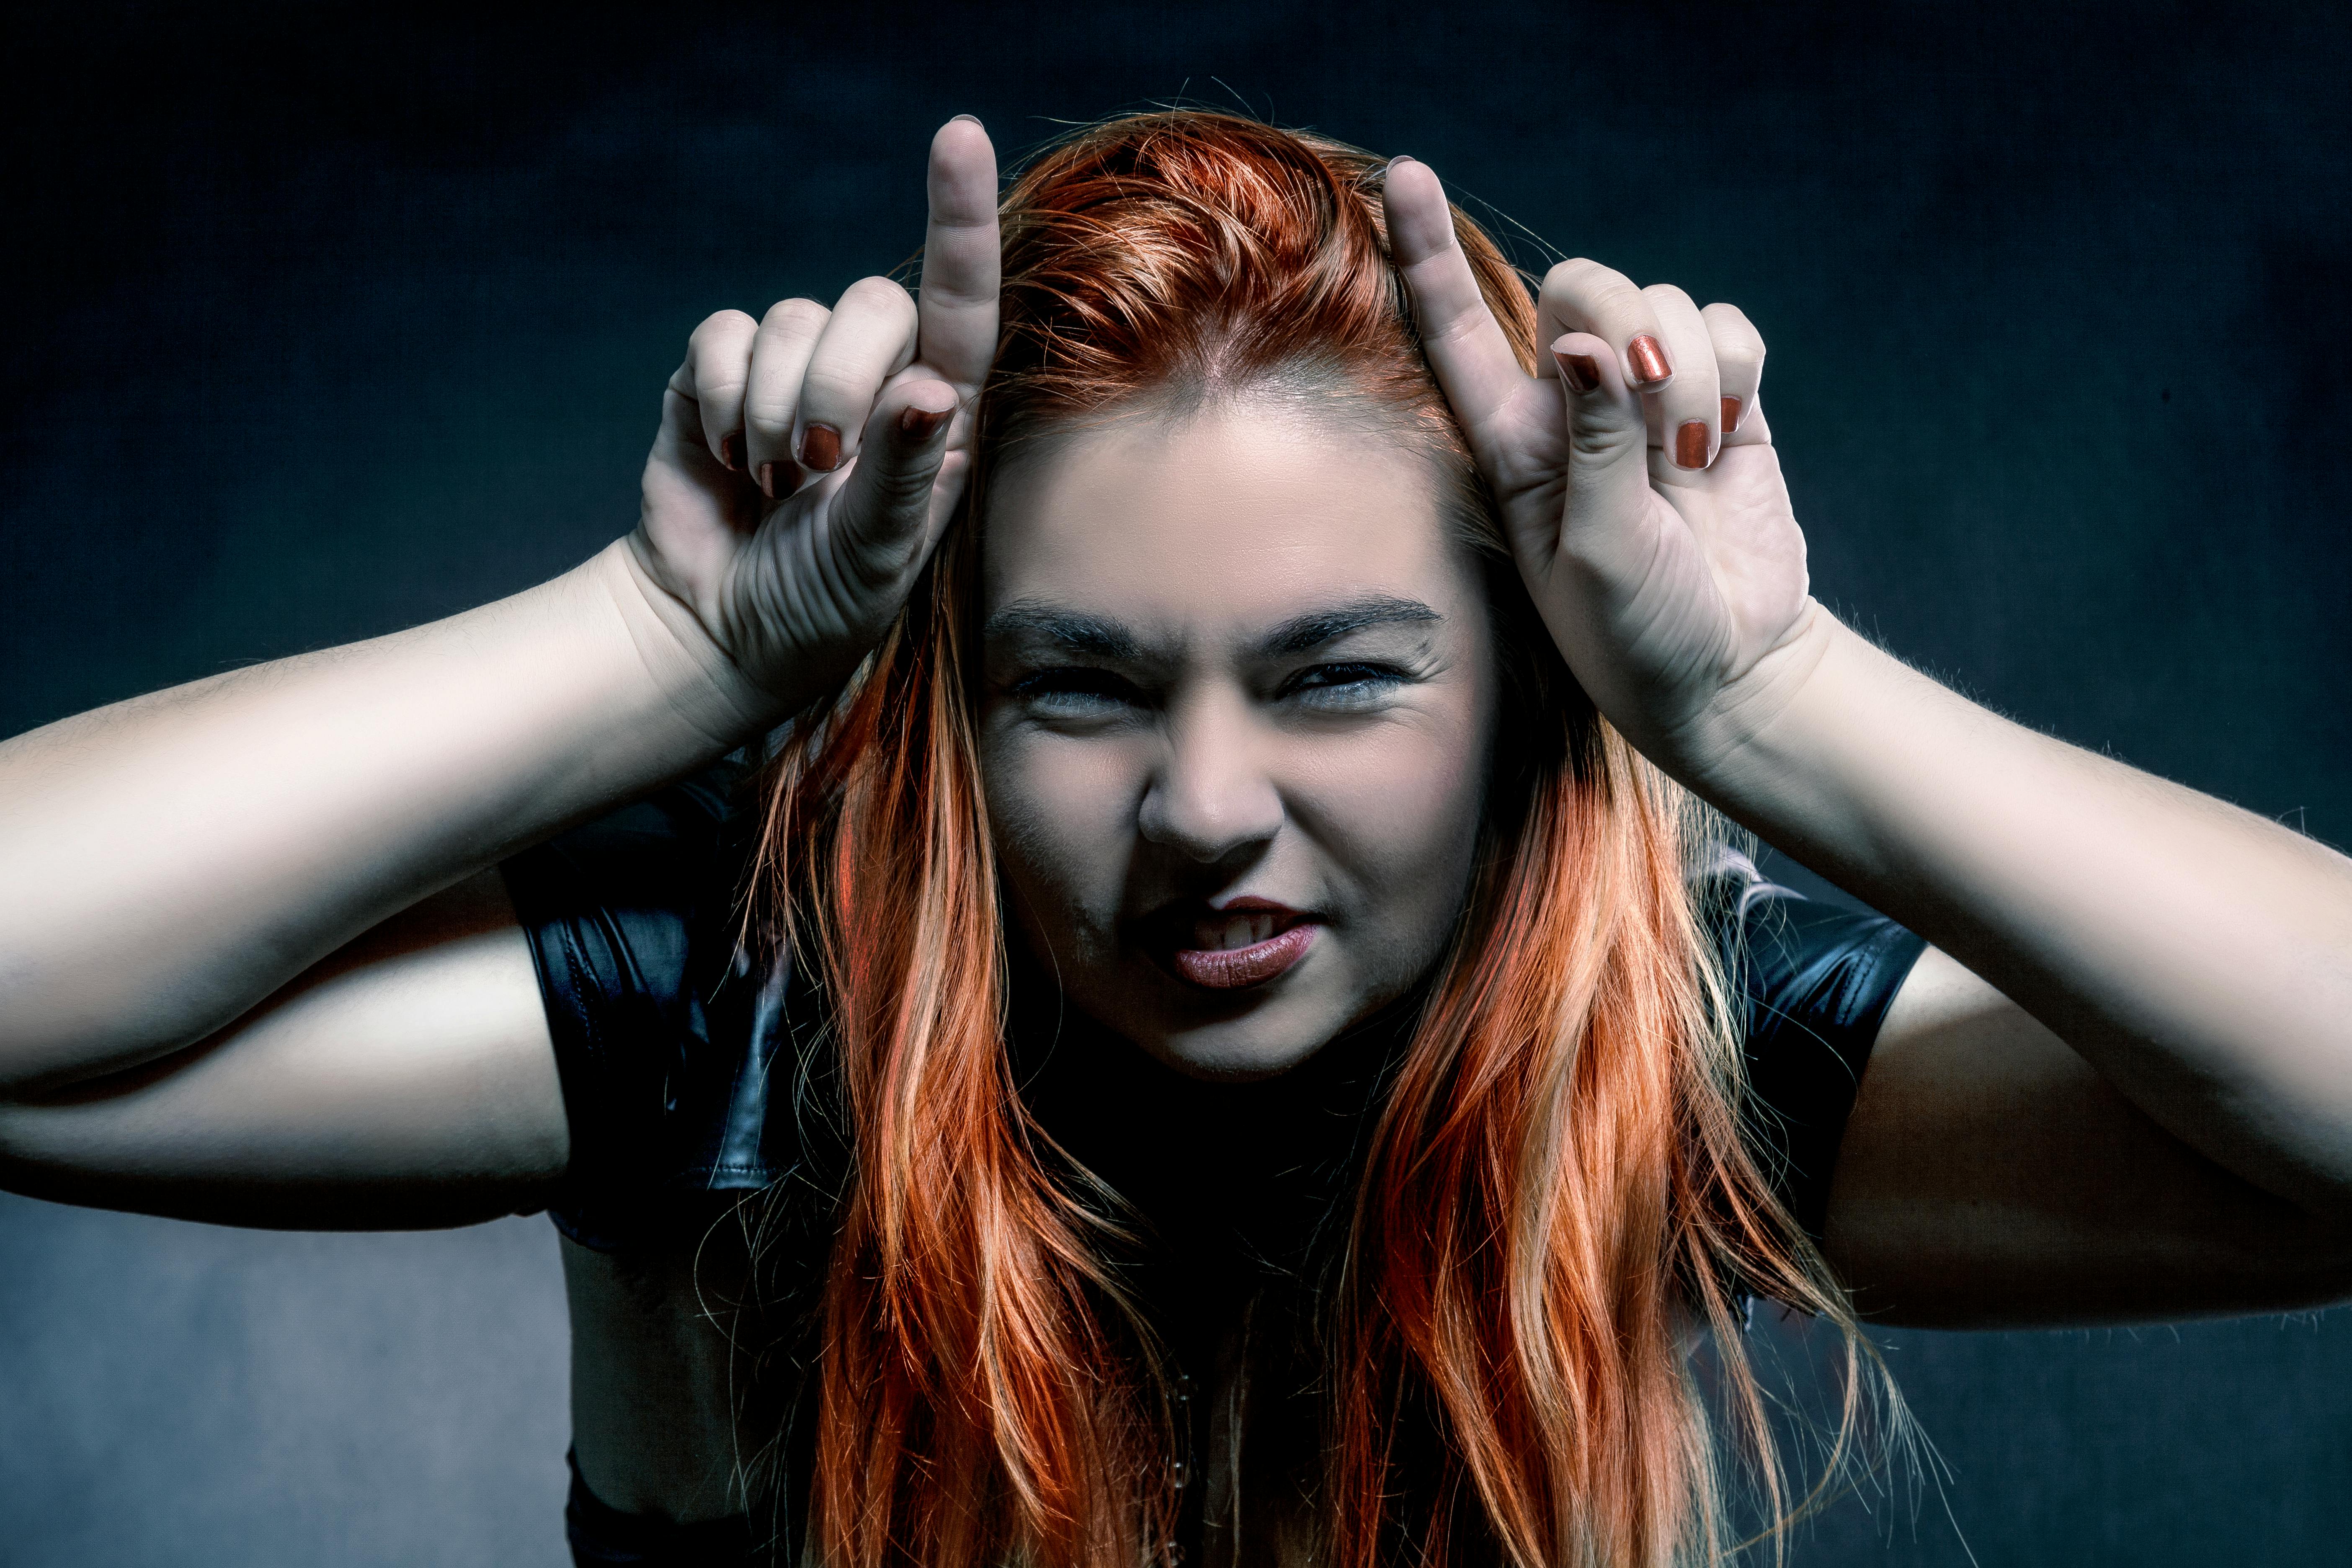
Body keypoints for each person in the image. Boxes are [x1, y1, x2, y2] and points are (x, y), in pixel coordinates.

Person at [2, 107, 2349, 1568]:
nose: (1208, 813)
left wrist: (1771, 696)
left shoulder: (1654, 1051)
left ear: (1528, 683)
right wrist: (645, 647)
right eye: (1083, 685)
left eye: (1340, 675)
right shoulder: (742, 1012)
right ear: (954, 701)